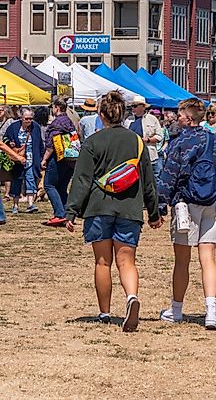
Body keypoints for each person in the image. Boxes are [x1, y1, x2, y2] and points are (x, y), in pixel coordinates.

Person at [64, 91, 162, 331]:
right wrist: (154, 213)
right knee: (127, 261)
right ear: (123, 114)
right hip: (129, 208)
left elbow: (82, 180)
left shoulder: (92, 142)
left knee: (102, 262)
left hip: (99, 207)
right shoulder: (137, 142)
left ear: (101, 114)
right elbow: (148, 182)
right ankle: (131, 297)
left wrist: (71, 212)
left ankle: (105, 313)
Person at [157, 98, 216, 330]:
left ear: (189, 118)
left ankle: (176, 309)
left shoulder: (180, 142)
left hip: (186, 203)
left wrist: (159, 206)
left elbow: (168, 177)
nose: (177, 118)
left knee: (182, 261)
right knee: (208, 258)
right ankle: (211, 312)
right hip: (214, 200)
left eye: (180, 114)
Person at [41, 97, 78, 227]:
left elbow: (51, 144)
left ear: (56, 107)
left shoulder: (56, 123)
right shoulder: (69, 121)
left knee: (49, 185)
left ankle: (59, 214)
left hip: (58, 158)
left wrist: (44, 159)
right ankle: (69, 215)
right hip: (71, 159)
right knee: (62, 187)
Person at [6, 107, 44, 214]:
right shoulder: (13, 127)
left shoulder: (35, 127)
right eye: (26, 118)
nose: (29, 121)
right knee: (17, 180)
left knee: (31, 179)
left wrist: (41, 158)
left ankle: (30, 203)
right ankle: (15, 205)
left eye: (30, 118)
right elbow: (5, 139)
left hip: (31, 158)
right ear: (21, 117)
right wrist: (10, 143)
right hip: (17, 159)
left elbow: (40, 143)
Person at [123, 96, 164, 178]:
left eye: (135, 106)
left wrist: (148, 140)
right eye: (132, 106)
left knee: (153, 179)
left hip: (149, 156)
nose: (133, 108)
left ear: (143, 107)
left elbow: (159, 136)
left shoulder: (152, 119)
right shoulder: (128, 120)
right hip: (132, 157)